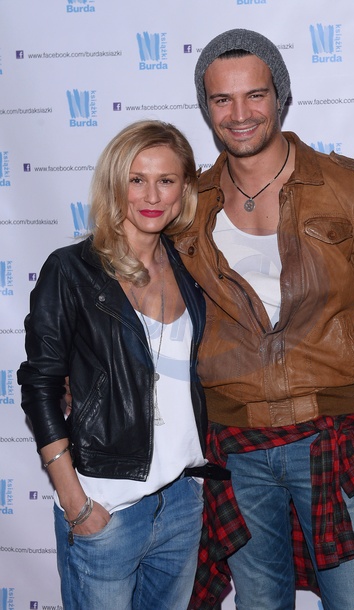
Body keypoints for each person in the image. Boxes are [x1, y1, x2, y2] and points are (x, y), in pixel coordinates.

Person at [174, 30, 354, 610]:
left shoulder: (350, 187)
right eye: (221, 99)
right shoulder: (189, 202)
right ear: (206, 107)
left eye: (255, 95)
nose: (240, 114)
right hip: (233, 448)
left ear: (281, 96)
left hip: (331, 439)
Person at [17, 120, 229, 610]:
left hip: (180, 504)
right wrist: (75, 502)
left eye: (166, 180)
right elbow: (39, 385)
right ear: (115, 185)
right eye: (137, 179)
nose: (151, 195)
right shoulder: (71, 270)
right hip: (104, 508)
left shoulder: (191, 268)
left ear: (184, 190)